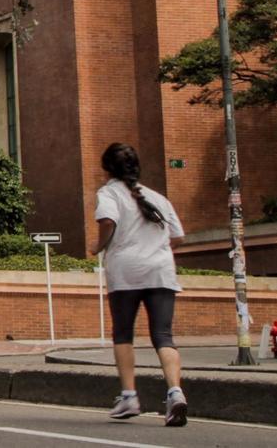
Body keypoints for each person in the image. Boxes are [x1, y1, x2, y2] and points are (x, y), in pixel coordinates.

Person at [95, 143, 189, 425]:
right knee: (163, 335)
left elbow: (108, 221)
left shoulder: (108, 193)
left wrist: (98, 246)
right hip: (160, 270)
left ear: (107, 169)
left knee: (123, 333)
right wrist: (156, 247)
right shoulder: (157, 198)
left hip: (126, 271)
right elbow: (178, 236)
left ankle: (129, 396)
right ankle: (175, 392)